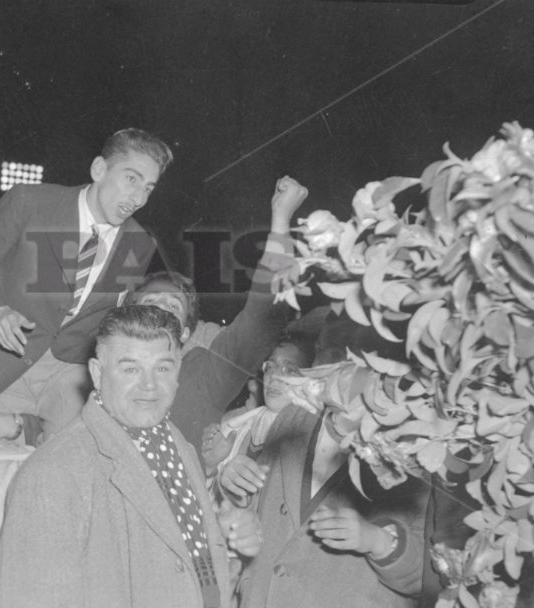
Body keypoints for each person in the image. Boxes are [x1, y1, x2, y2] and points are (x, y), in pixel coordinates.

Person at [0, 306, 261, 608]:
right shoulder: (52, 473)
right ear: (97, 373)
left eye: (162, 368)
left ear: (177, 373)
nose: (149, 385)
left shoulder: (181, 447)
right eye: (130, 369)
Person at [0, 128, 172, 437]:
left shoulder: (140, 243)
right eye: (131, 179)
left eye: (149, 188)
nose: (138, 199)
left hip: (71, 377)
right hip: (6, 359)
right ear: (99, 169)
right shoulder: (29, 201)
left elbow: (112, 319)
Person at [226, 315, 427, 608]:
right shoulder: (289, 420)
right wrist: (234, 484)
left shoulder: (412, 448)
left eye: (341, 355)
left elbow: (430, 575)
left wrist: (376, 541)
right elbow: (252, 519)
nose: (325, 368)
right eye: (322, 352)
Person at [128, 176, 306, 450]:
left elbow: (260, 320)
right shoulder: (103, 367)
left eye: (173, 306)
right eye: (150, 301)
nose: (160, 309)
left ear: (185, 333)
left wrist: (281, 219)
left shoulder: (202, 376)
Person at [202, 334, 316, 493]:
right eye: (270, 367)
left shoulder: (314, 440)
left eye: (289, 370)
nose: (274, 377)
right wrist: (210, 467)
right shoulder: (235, 429)